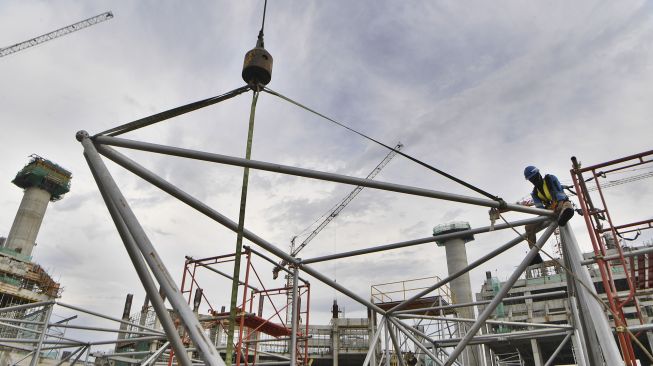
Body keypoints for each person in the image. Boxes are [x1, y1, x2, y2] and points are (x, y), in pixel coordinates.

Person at [523, 165, 574, 265]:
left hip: (561, 203)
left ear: (538, 174)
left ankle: (566, 214)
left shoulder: (550, 179)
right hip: (549, 211)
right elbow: (539, 209)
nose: (533, 180)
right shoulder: (535, 193)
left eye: (534, 177)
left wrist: (559, 204)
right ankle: (534, 255)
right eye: (531, 179)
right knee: (529, 227)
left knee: (566, 206)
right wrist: (544, 215)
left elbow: (559, 192)